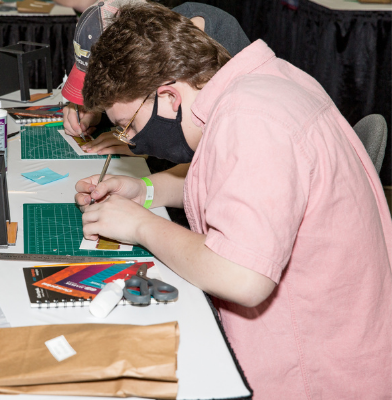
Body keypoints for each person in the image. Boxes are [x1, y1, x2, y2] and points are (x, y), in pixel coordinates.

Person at [74, 2, 392, 398]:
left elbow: (241, 275)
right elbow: (228, 175)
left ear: (170, 96)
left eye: (129, 126)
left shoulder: (253, 120)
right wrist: (146, 191)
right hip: (338, 337)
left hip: (314, 373)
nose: (134, 140)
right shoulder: (260, 82)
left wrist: (141, 225)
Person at [61, 0, 250, 157]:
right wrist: (98, 112)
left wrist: (148, 145)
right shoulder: (156, 39)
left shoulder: (227, 59)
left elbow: (216, 164)